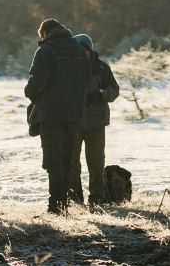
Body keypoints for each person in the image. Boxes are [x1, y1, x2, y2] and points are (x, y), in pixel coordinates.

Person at [25, 18, 94, 213]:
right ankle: (63, 203)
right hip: (74, 114)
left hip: (51, 114)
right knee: (67, 159)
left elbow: (35, 82)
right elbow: (87, 80)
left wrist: (33, 96)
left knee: (53, 161)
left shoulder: (45, 50)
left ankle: (56, 206)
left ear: (45, 33)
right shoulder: (80, 50)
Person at [70, 33, 121, 204]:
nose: (81, 52)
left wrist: (101, 95)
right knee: (72, 165)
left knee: (96, 164)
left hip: (96, 123)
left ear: (89, 49)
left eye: (84, 48)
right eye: (78, 49)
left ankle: (97, 198)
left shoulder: (101, 68)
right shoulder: (67, 67)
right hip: (73, 123)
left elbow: (114, 89)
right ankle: (75, 199)